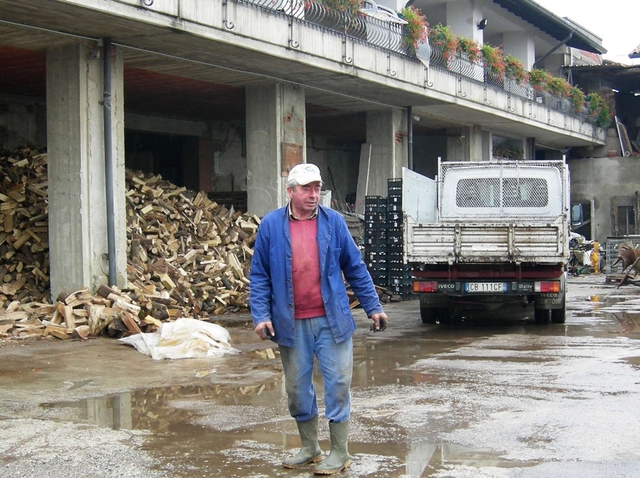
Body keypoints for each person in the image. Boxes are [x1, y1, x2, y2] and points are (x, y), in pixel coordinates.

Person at [249, 163, 388, 475]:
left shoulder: (333, 223)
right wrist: (260, 315)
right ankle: (310, 447)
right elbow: (259, 275)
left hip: (332, 320)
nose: (313, 195)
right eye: (306, 188)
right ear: (290, 191)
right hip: (290, 322)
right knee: (297, 389)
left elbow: (355, 266)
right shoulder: (271, 225)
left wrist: (373, 306)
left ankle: (340, 452)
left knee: (338, 384)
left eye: (317, 188)